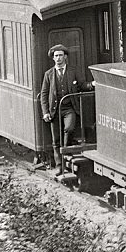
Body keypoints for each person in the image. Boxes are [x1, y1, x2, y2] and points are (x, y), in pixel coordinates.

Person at [38, 44, 90, 175]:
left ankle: (66, 153)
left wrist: (92, 85)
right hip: (54, 110)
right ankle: (59, 166)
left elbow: (83, 85)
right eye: (56, 56)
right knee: (56, 140)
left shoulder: (74, 71)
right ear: (53, 58)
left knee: (69, 129)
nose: (59, 58)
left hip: (69, 108)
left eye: (61, 55)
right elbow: (44, 94)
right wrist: (45, 112)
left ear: (65, 57)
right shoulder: (49, 74)